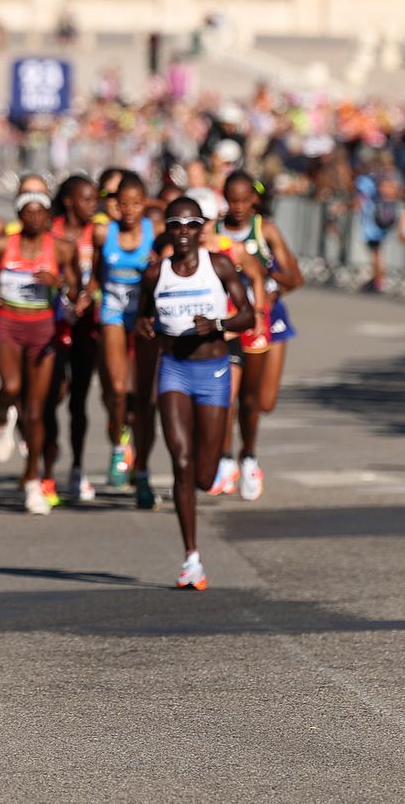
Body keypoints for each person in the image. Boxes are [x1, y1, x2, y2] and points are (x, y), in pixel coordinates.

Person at [136, 197, 256, 590]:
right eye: (177, 224)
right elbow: (141, 314)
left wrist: (219, 324)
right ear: (168, 230)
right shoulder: (156, 274)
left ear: (202, 227)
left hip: (214, 371)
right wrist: (144, 326)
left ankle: (215, 471)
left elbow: (249, 314)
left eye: (191, 224)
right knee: (181, 461)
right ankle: (191, 557)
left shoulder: (217, 266)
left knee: (204, 475)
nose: (184, 231)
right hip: (174, 370)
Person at [212, 171, 301, 502]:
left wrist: (268, 280)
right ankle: (225, 460)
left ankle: (249, 453)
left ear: (254, 200)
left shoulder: (265, 230)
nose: (237, 207)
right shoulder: (215, 232)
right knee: (226, 397)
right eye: (232, 200)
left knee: (259, 401)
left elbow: (296, 277)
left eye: (244, 200)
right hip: (232, 322)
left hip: (267, 321)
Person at [0, 190, 77, 513]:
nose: (35, 218)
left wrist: (57, 282)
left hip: (43, 329)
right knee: (11, 387)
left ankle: (32, 481)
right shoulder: (4, 245)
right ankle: (2, 419)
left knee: (36, 411)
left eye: (41, 212)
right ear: (19, 215)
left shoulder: (60, 247)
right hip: (9, 326)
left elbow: (75, 286)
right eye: (29, 212)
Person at [96, 172, 157, 498]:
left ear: (144, 204)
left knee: (145, 397)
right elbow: (94, 273)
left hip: (144, 315)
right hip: (113, 312)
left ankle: (143, 469)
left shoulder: (155, 231)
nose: (130, 210)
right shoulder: (104, 232)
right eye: (123, 204)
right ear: (115, 206)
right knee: (118, 390)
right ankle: (120, 448)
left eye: (136, 203)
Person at [45, 175, 102, 504]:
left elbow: (99, 270)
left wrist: (89, 293)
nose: (93, 205)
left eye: (95, 199)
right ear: (68, 201)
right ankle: (47, 465)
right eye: (87, 199)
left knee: (79, 399)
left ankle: (78, 467)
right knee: (50, 396)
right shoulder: (49, 229)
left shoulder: (97, 232)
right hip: (51, 323)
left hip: (86, 324)